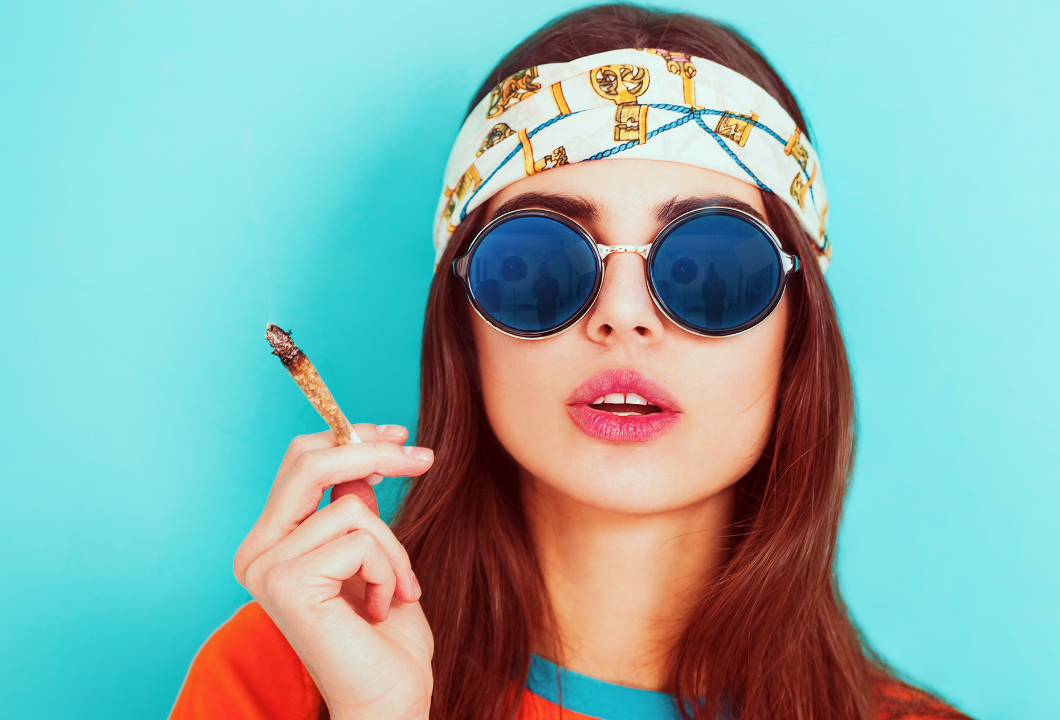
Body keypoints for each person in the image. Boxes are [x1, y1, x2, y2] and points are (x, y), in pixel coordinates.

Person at [172, 5, 969, 720]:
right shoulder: (291, 676)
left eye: (714, 267)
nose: (623, 314)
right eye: (535, 264)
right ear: (464, 329)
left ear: (797, 338)